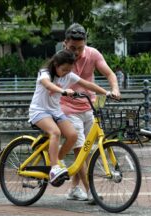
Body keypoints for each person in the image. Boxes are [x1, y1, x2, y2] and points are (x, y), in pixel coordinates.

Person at [28, 49, 110, 186]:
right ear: (55, 64)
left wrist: (107, 93)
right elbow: (48, 84)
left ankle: (57, 159)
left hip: (55, 111)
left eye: (69, 70)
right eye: (64, 69)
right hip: (39, 111)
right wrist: (63, 91)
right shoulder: (45, 73)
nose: (66, 73)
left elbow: (88, 84)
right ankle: (54, 169)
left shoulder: (69, 75)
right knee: (55, 132)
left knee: (73, 136)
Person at [61, 23, 121, 202]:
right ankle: (91, 191)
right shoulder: (61, 58)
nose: (76, 53)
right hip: (68, 108)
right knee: (81, 150)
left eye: (80, 48)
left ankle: (73, 188)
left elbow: (110, 74)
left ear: (85, 44)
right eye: (72, 48)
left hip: (90, 107)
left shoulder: (93, 54)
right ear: (65, 43)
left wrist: (115, 88)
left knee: (86, 151)